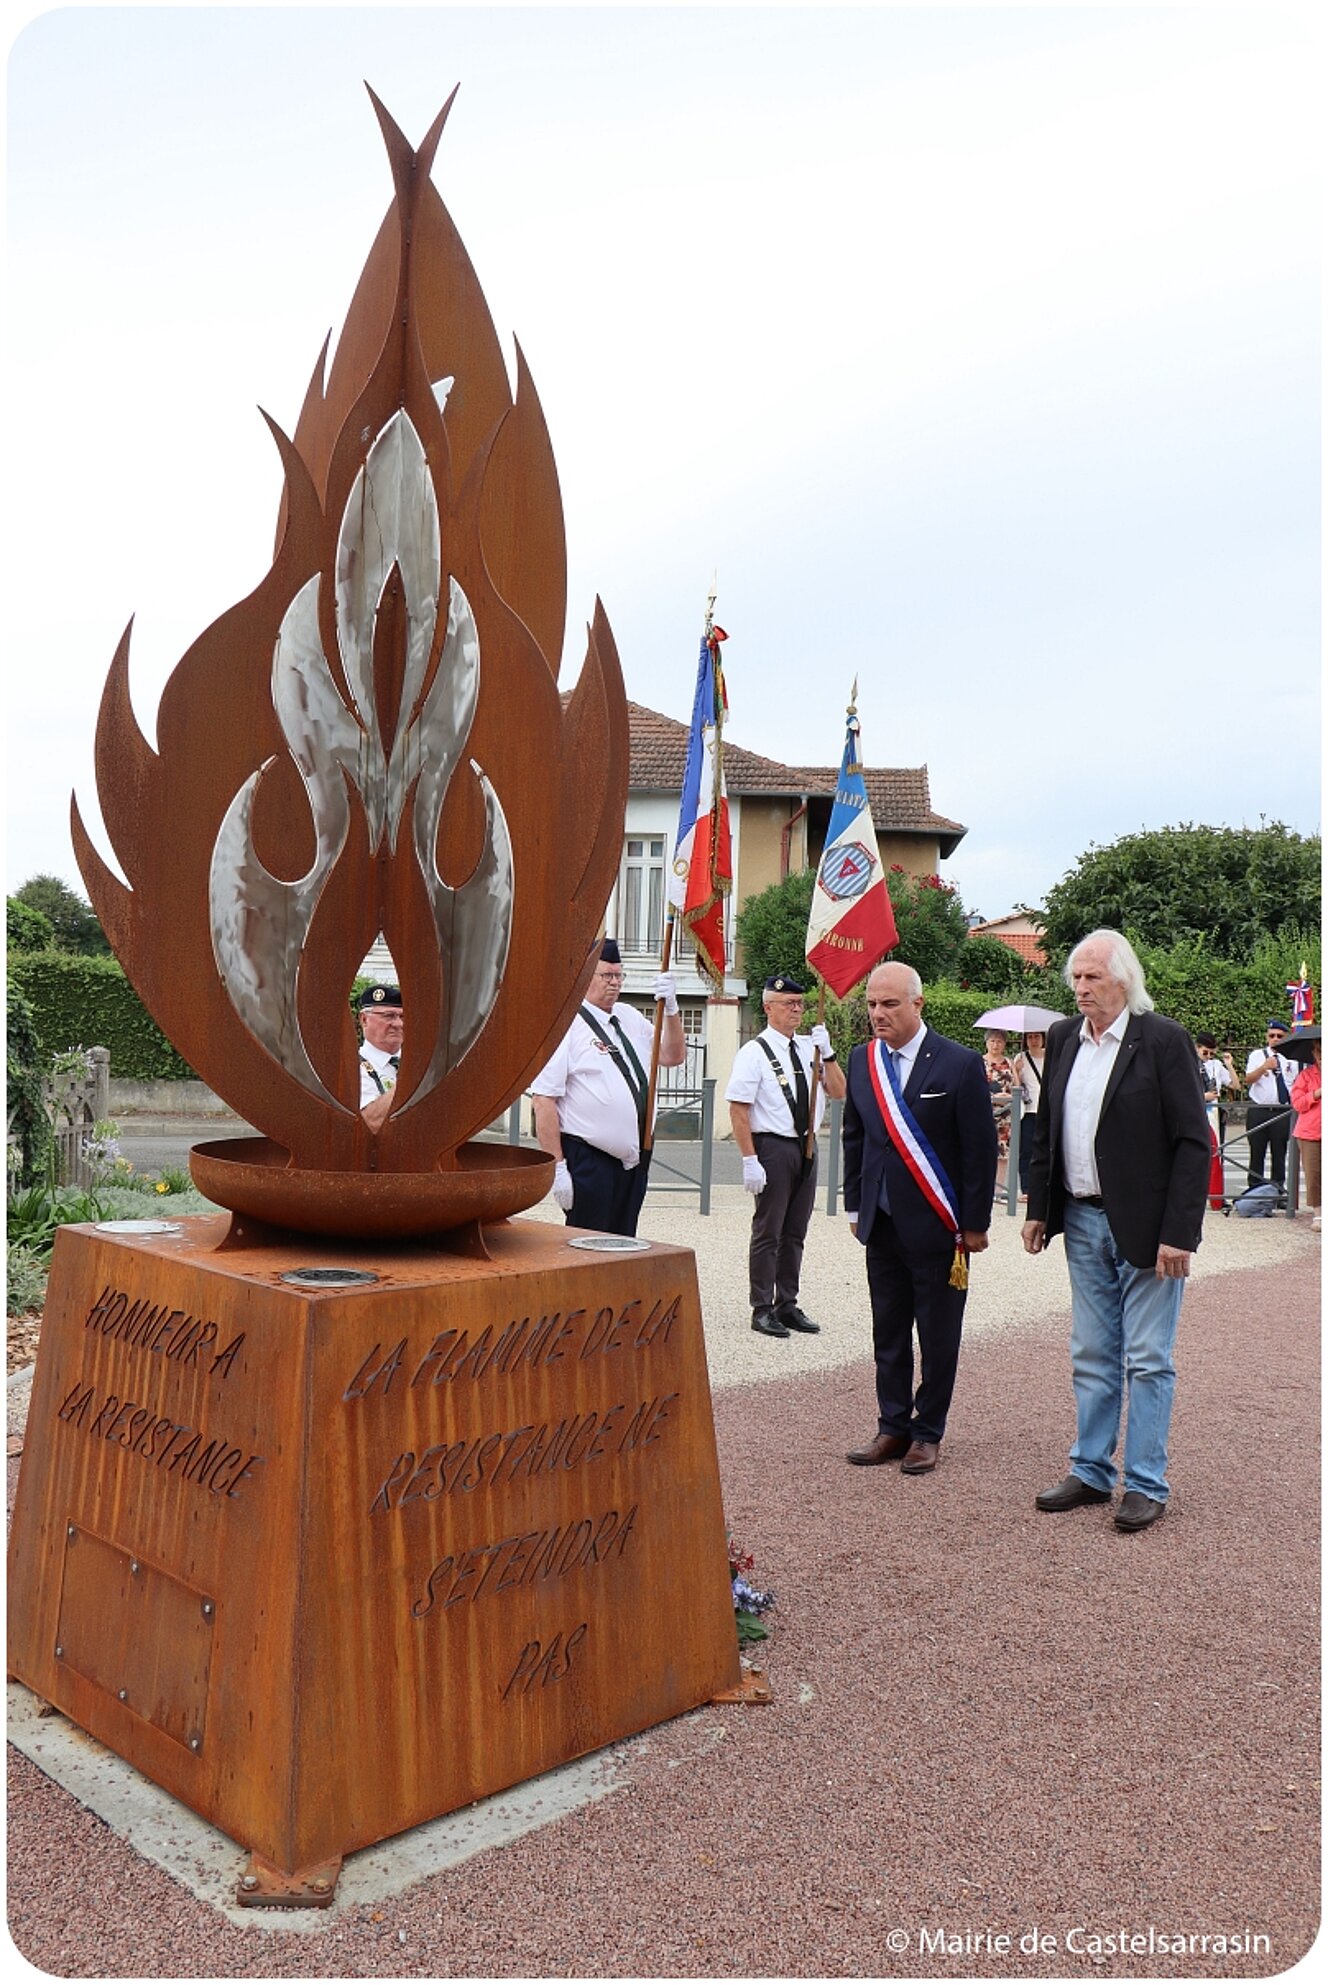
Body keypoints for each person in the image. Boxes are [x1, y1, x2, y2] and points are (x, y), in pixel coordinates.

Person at [1022, 931, 1210, 1531]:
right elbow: (1047, 1129)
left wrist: (1180, 1231)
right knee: (1092, 1352)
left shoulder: (1163, 1039)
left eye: (1092, 977)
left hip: (1150, 1229)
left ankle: (1146, 1483)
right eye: (1076, 977)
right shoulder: (1061, 1038)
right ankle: (1092, 1471)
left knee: (1148, 1358)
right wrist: (1039, 1207)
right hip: (1080, 1219)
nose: (1080, 988)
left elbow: (1193, 1141)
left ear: (1124, 981)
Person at [841, 963, 998, 1473]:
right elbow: (854, 1138)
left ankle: (927, 1432)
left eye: (889, 1004)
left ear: (917, 1004)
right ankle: (892, 1426)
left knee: (937, 1334)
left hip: (938, 1226)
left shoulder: (959, 1063)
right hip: (882, 1221)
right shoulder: (862, 1060)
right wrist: (854, 1205)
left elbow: (979, 1151)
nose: (878, 1014)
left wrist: (975, 1223)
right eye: (871, 1004)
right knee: (887, 1331)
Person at [530, 940, 686, 1237]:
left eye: (618, 975)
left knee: (622, 1246)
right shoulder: (565, 1024)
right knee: (587, 1247)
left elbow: (673, 1056)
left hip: (634, 1161)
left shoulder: (629, 1017)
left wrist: (671, 1010)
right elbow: (544, 1100)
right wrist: (558, 1169)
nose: (614, 983)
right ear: (585, 976)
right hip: (590, 1159)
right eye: (606, 975)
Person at [726, 975, 846, 1339]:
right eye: (788, 1004)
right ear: (768, 1007)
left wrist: (829, 1054)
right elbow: (739, 1110)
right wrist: (749, 1159)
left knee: (796, 1231)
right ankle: (762, 1307)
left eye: (799, 1004)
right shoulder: (754, 1052)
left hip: (806, 1144)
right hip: (773, 1146)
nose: (796, 1010)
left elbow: (839, 1092)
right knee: (769, 1230)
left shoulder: (811, 1048)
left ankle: (787, 1303)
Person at [1244, 1019, 1296, 1201]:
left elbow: (1294, 1083)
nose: (1275, 1039)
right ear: (1267, 1037)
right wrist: (1264, 1067)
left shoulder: (1291, 1059)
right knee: (1257, 1152)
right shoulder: (1257, 1055)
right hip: (1259, 1109)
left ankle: (1277, 1192)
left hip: (1282, 1110)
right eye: (1272, 1035)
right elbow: (1248, 1079)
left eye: (1279, 1036)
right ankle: (1254, 1191)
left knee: (1279, 1153)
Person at [357, 983, 403, 1131]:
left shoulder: (419, 1063)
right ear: (364, 1020)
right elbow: (369, 1122)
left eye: (403, 1016)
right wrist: (412, 1080)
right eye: (389, 1016)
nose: (398, 1024)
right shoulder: (351, 1068)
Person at [1290, 1041, 1321, 1232]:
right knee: (1314, 1174)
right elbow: (1297, 1103)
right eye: (1318, 1051)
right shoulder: (1306, 1075)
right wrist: (1316, 1093)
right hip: (1310, 1131)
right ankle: (1318, 1214)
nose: (1322, 1055)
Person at [1013, 1029, 1046, 1199]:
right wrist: (1016, 1071)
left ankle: (1044, 1186)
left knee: (1046, 1149)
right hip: (1029, 1110)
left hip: (1046, 1109)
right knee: (1026, 1150)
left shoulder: (1051, 1056)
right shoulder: (1021, 1058)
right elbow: (1017, 1086)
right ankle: (1026, 1188)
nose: (1034, 1040)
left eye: (1037, 1037)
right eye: (1030, 1037)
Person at [983, 1028, 1016, 1191]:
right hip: (984, 1112)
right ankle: (984, 1188)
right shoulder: (979, 1061)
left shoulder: (1009, 1063)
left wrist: (1008, 1095)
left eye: (999, 1041)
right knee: (983, 1150)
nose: (995, 1045)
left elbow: (1018, 1087)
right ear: (986, 1043)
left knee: (1003, 1152)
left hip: (1005, 1113)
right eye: (992, 1041)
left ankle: (999, 1190)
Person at [1194, 1031, 1240, 1145]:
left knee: (1215, 1145)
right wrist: (1203, 1097)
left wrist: (1229, 1065)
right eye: (1205, 1053)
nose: (1208, 1056)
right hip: (1195, 1111)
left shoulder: (1216, 1064)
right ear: (1197, 1048)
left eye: (1212, 1054)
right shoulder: (1189, 1064)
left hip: (1213, 1112)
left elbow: (1235, 1085)